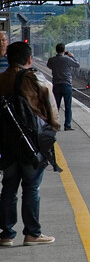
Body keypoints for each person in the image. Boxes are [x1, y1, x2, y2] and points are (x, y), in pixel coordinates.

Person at [0, 42, 61, 246]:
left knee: (8, 188)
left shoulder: (1, 78)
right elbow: (50, 105)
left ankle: (6, 234)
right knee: (31, 187)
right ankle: (32, 233)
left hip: (6, 142)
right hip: (31, 142)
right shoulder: (34, 77)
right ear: (29, 59)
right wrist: (53, 129)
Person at [46, 42, 80, 131]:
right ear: (64, 51)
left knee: (55, 106)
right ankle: (67, 125)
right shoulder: (67, 59)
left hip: (56, 84)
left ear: (56, 50)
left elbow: (48, 66)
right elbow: (77, 65)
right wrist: (71, 56)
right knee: (68, 106)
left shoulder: (52, 60)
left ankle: (55, 124)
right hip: (67, 85)